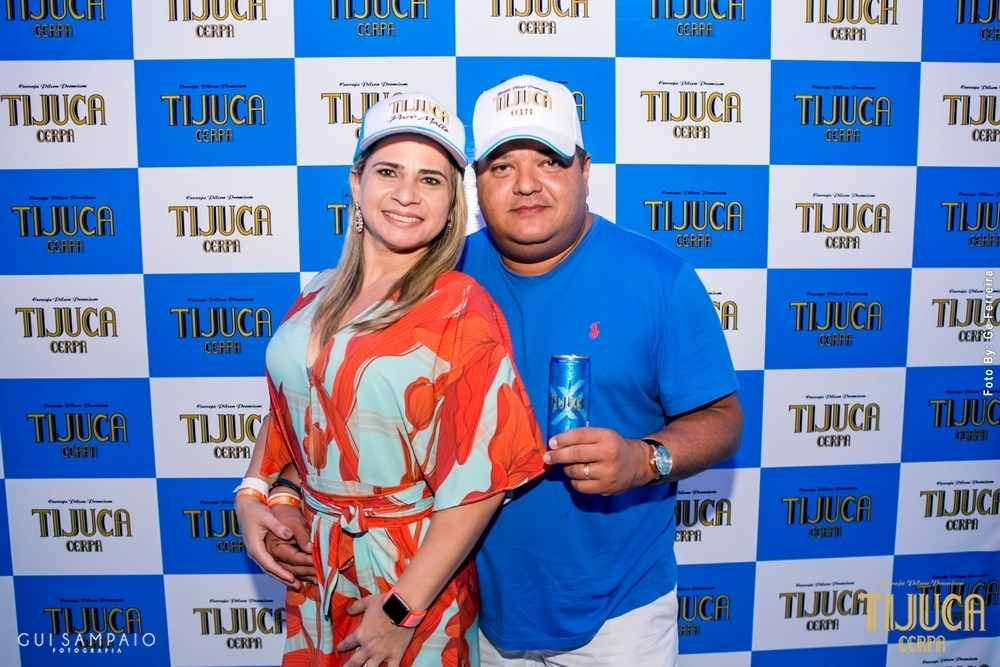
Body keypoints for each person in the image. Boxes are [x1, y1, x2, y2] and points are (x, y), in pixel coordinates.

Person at [254, 75, 744, 666]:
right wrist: (282, 488)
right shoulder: (433, 272)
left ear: (586, 170)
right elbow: (343, 408)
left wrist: (646, 460)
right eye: (502, 165)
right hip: (468, 604)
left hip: (616, 614)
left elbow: (722, 419)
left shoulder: (658, 278)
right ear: (474, 183)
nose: (526, 183)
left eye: (549, 161)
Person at [234, 92, 547, 667]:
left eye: (430, 180)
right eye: (388, 172)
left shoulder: (461, 308)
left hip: (407, 581)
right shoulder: (317, 291)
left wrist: (403, 610)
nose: (407, 194)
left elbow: (482, 484)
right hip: (318, 570)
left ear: (452, 204)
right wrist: (258, 494)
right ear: (356, 184)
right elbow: (294, 406)